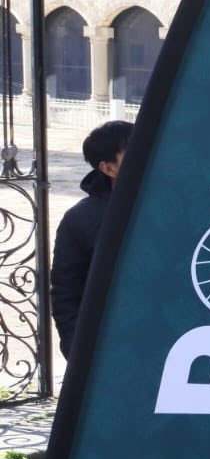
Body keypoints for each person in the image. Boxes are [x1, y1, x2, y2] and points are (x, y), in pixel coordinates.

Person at [51, 118, 132, 360]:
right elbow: (66, 293)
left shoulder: (179, 205)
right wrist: (79, 350)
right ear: (108, 168)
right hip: (115, 346)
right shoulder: (80, 219)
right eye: (135, 151)